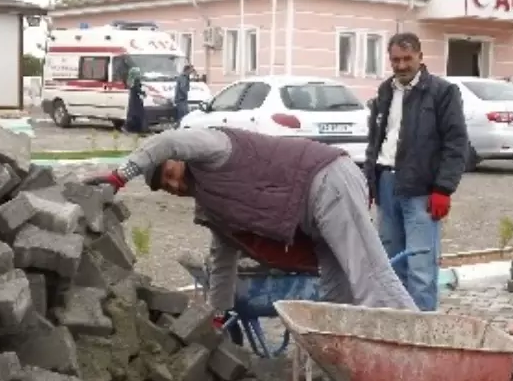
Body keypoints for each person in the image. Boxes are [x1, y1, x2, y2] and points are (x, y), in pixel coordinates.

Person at [83, 127, 418, 314]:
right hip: (311, 218)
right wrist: (217, 315)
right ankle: (360, 369)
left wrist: (120, 176)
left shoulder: (215, 148)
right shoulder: (212, 206)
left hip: (326, 181)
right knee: (337, 295)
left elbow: (166, 140)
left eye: (170, 173)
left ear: (180, 158)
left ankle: (416, 353)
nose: (174, 185)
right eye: (167, 187)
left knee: (369, 275)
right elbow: (222, 261)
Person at [365, 33, 469, 312]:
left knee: (421, 266)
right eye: (395, 60)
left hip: (421, 191)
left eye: (407, 59)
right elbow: (375, 141)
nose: (401, 65)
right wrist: (370, 184)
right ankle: (396, 324)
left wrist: (443, 189)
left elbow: (456, 143)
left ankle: (422, 330)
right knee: (392, 262)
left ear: (421, 57)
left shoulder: (442, 92)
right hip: (387, 184)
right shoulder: (385, 91)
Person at [124, 67, 146, 134]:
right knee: (139, 115)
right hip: (136, 100)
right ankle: (138, 129)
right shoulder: (136, 80)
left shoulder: (130, 80)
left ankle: (129, 128)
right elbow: (137, 89)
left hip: (132, 100)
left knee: (132, 115)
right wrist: (143, 93)